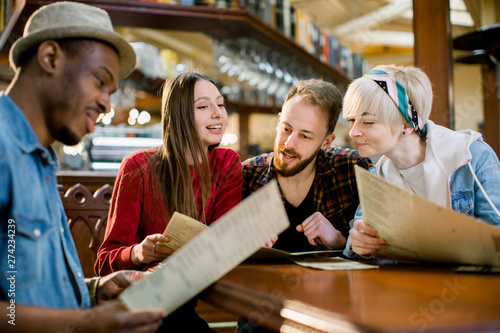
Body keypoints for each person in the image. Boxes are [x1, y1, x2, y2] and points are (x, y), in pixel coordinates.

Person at [0, 2, 165, 332]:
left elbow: (24, 296)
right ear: (50, 58)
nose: (107, 103)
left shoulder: (41, 159)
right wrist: (86, 322)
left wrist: (95, 290)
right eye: (99, 81)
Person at [95, 70, 243, 332]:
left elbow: (223, 242)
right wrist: (139, 252)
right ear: (179, 115)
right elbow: (104, 262)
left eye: (220, 104)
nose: (218, 113)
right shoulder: (137, 167)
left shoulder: (227, 163)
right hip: (136, 312)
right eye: (203, 106)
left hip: (183, 308)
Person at [342, 64, 500, 258]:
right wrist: (360, 244)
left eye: (368, 122)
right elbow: (354, 249)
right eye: (351, 120)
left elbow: (497, 243)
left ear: (407, 125)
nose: (353, 132)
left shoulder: (471, 157)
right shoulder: (378, 175)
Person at [242, 79, 372, 252]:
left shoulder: (353, 169)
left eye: (304, 136)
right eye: (286, 129)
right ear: (279, 120)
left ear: (326, 142)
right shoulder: (247, 174)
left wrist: (340, 241)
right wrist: (243, 245)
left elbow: (382, 248)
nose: (289, 144)